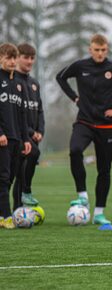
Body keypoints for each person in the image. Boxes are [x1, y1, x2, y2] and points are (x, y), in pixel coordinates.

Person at [56, 34, 112, 225]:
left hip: (107, 126)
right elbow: (60, 77)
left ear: (107, 50)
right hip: (84, 122)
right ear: (90, 49)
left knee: (104, 170)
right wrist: (74, 97)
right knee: (75, 150)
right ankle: (83, 195)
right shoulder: (80, 66)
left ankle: (99, 213)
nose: (100, 53)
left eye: (103, 50)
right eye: (97, 49)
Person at [0, 43, 32, 229]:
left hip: (17, 139)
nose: (12, 62)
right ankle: (5, 217)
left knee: (10, 177)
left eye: (14, 58)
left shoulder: (19, 84)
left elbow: (22, 115)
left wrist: (26, 139)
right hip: (3, 139)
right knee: (3, 178)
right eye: (8, 58)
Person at [12, 43, 45, 210]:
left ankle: (18, 209)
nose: (30, 61)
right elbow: (17, 113)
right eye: (26, 57)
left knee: (21, 174)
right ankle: (25, 194)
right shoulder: (12, 81)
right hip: (20, 135)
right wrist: (30, 132)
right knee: (18, 171)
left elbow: (39, 109)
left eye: (32, 58)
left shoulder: (34, 83)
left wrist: (40, 131)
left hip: (33, 135)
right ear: (17, 58)